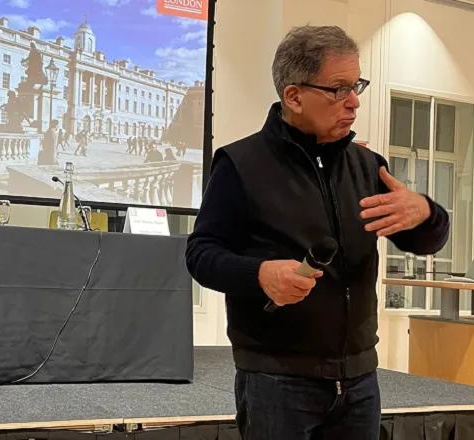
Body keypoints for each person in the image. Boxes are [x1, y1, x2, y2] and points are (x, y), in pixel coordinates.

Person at [185, 26, 449, 440]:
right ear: (294, 97)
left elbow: (424, 241)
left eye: (356, 85)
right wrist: (259, 275)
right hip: (277, 380)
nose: (355, 102)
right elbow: (201, 254)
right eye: (339, 89)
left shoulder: (368, 167)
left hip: (360, 381)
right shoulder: (241, 164)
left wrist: (426, 213)